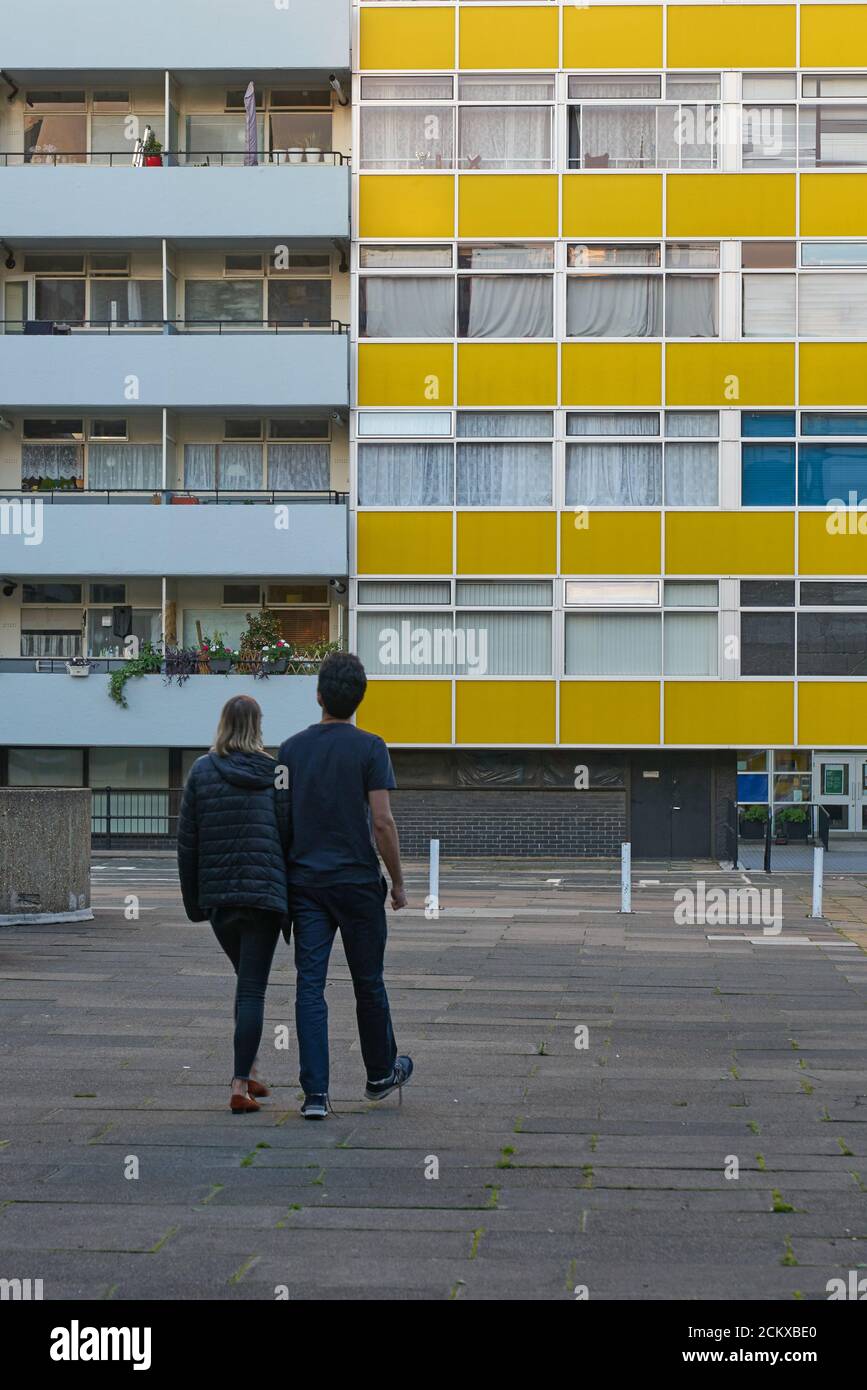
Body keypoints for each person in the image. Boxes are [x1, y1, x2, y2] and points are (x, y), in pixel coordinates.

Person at [276, 651, 411, 1120]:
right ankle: (379, 1075)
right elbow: (382, 822)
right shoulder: (371, 747)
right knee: (368, 981)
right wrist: (397, 883)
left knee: (309, 986)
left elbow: (281, 819)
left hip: (306, 884)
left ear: (318, 695)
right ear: (360, 700)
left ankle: (315, 1095)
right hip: (356, 883)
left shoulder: (290, 750)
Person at [177, 694, 290, 1115]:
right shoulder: (277, 772)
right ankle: (240, 1084)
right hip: (263, 898)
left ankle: (251, 1069)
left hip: (221, 900)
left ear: (223, 722)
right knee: (252, 990)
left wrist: (196, 903)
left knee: (246, 983)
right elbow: (288, 834)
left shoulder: (202, 771)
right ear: (258, 725)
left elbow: (187, 842)